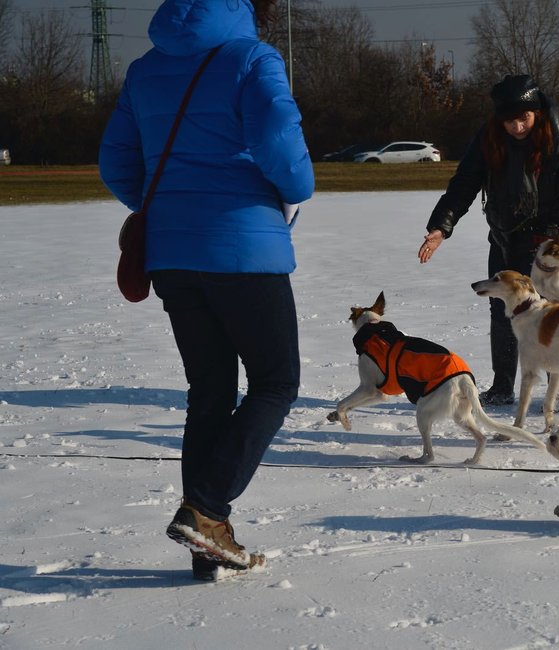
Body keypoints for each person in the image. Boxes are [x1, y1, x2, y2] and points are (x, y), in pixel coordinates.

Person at [99, 0, 314, 580]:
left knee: (210, 391)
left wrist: (162, 207)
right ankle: (207, 508)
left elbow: (115, 160)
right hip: (245, 249)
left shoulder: (145, 68)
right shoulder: (252, 57)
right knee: (276, 382)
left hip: (173, 253)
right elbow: (280, 143)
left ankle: (206, 543)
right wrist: (299, 186)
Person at [418, 74, 559, 407]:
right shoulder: (488, 140)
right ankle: (501, 386)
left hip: (549, 246)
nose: (517, 127)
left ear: (536, 112)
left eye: (523, 118)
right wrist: (441, 227)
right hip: (506, 240)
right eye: (509, 120)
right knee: (503, 310)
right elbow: (463, 186)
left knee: (552, 315)